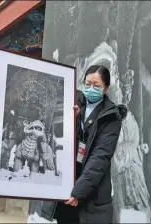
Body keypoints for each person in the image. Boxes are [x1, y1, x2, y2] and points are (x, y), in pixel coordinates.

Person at [28, 65, 127, 224]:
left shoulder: (111, 116)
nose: (91, 89)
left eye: (97, 86)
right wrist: (71, 121)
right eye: (88, 84)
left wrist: (79, 191)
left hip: (90, 191)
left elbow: (100, 156)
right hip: (62, 184)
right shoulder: (71, 101)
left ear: (106, 89)